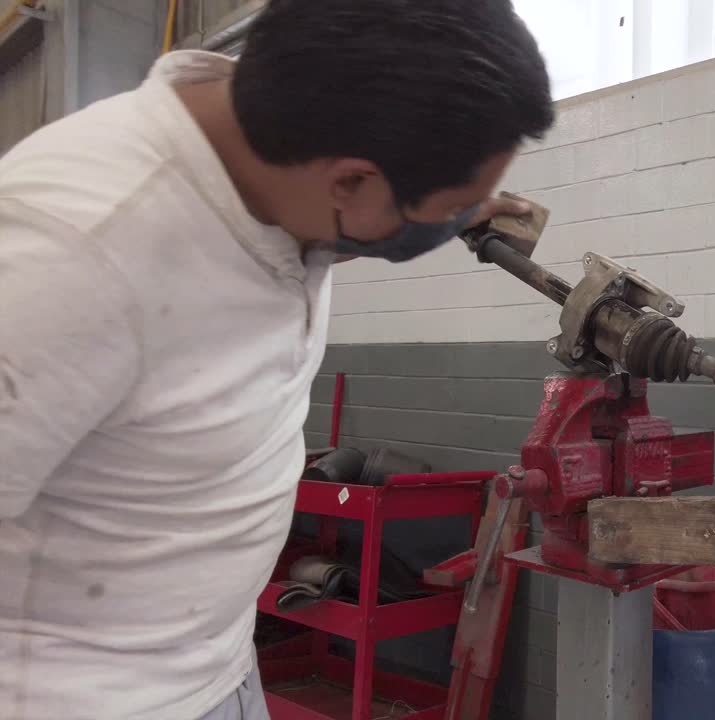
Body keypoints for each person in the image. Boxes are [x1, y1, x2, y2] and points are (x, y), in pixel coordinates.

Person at [0, 0, 553, 717]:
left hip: (223, 669)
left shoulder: (276, 153)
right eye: (446, 207)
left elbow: (254, 259)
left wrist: (456, 211)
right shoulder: (66, 258)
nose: (449, 223)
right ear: (349, 182)